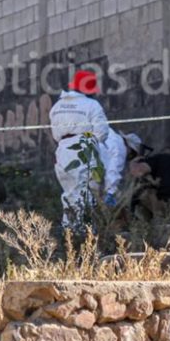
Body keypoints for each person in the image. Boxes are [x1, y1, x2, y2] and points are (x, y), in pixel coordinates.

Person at [49, 70, 111, 227]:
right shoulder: (91, 105)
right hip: (84, 148)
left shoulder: (57, 106)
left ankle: (69, 234)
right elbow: (102, 133)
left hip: (62, 150)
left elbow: (55, 135)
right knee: (86, 193)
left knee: (69, 194)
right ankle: (86, 234)